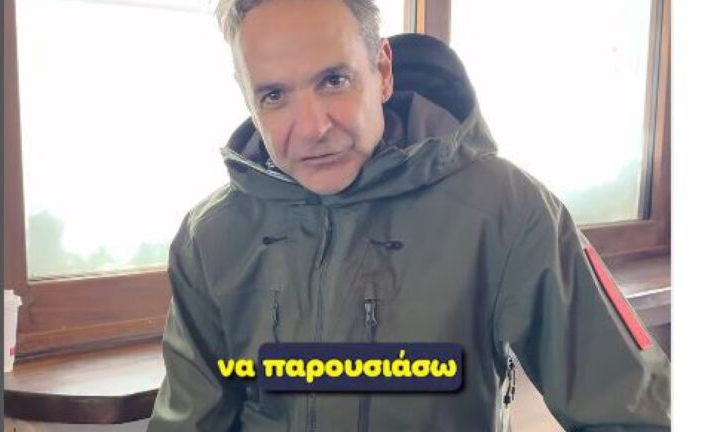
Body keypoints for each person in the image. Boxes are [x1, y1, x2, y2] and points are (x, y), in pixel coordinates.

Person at [147, 0, 671, 430]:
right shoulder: (208, 238)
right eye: (274, 95)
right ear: (247, 98)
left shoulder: (507, 210)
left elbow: (633, 414)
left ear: (381, 72)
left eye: (333, 80)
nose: (311, 127)